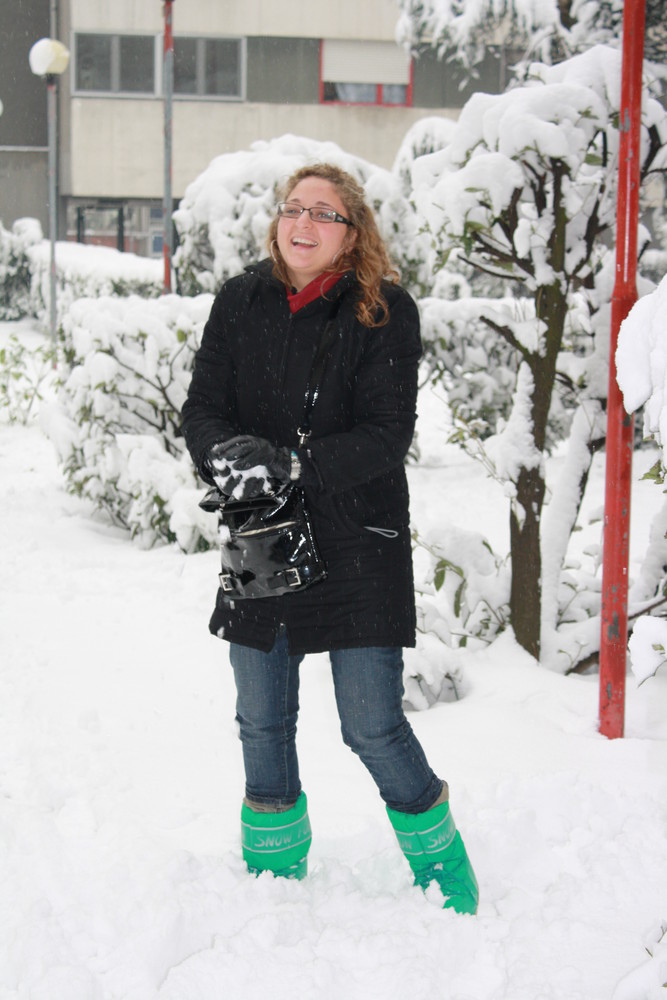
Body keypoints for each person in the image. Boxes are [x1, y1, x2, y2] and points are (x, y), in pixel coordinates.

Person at [181, 163, 478, 914]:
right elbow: (202, 408)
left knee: (371, 725)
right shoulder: (240, 301)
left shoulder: (383, 310)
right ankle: (272, 878)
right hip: (262, 530)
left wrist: (290, 462)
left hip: (357, 537)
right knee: (261, 717)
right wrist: (227, 461)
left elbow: (386, 435)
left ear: (353, 234)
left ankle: (443, 869)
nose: (302, 223)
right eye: (292, 208)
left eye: (324, 212)